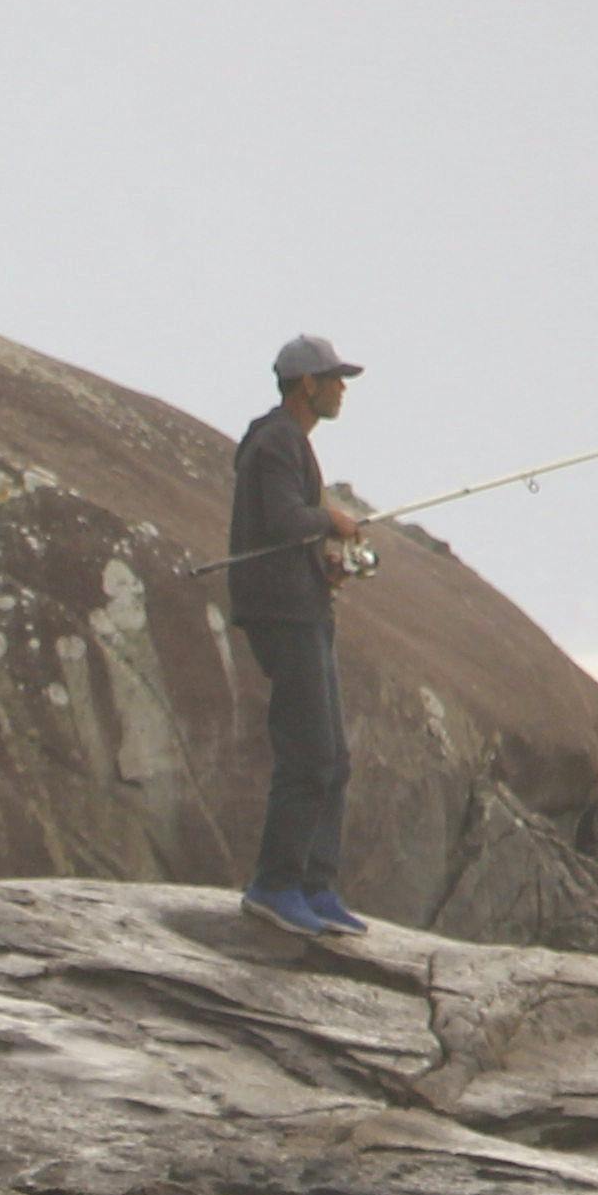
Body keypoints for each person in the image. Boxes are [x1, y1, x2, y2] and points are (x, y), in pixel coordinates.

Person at [221, 336, 373, 938]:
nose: (342, 389)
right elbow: (285, 520)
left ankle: (316, 885)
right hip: (282, 615)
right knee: (308, 753)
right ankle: (274, 885)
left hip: (303, 608)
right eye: (334, 379)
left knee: (334, 756)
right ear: (306, 384)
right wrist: (332, 520)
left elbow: (284, 532)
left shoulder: (290, 441)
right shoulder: (276, 439)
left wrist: (326, 564)